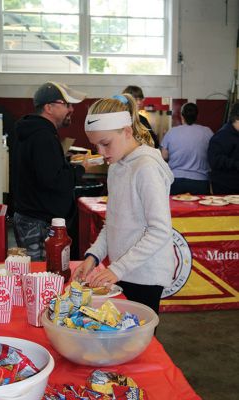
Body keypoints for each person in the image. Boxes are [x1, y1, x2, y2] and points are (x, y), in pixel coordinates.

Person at [73, 94, 175, 315]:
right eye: (95, 145)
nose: (100, 152)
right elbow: (112, 224)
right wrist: (93, 257)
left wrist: (117, 269)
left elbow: (160, 231)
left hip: (145, 275)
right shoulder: (117, 167)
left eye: (105, 143)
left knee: (139, 342)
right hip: (123, 272)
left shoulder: (146, 168)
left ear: (127, 131)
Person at [12, 81, 86, 261]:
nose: (71, 109)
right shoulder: (42, 136)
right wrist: (81, 169)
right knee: (42, 276)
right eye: (66, 104)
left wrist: (67, 163)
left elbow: (41, 171)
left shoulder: (35, 131)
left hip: (32, 216)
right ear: (48, 107)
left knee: (39, 276)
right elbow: (52, 180)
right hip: (38, 222)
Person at [160, 102, 213, 195]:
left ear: (182, 116)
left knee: (176, 209)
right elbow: (213, 154)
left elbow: (164, 156)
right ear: (197, 116)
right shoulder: (207, 132)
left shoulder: (172, 132)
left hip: (176, 180)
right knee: (201, 209)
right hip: (200, 181)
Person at [208, 102, 239, 194]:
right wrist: (236, 164)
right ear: (237, 119)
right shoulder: (222, 135)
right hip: (225, 186)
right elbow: (214, 160)